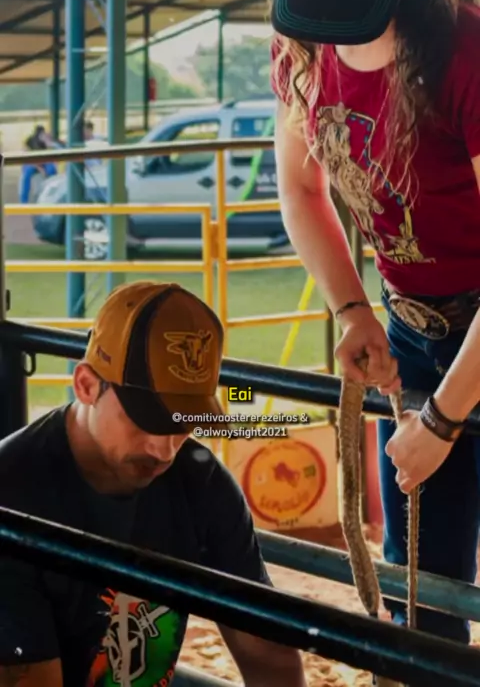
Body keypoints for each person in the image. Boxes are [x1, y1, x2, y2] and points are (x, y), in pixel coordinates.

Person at [270, 0, 480, 645]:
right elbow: (300, 189)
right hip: (411, 331)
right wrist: (353, 310)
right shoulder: (302, 39)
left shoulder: (465, 50)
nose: (336, 33)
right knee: (419, 590)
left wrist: (447, 418)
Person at [0, 281, 306, 687]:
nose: (164, 450)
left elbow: (268, 654)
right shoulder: (12, 494)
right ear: (86, 385)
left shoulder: (202, 482)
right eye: (147, 419)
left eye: (184, 423)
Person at [19, 124, 58, 203]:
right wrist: (40, 168)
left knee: (52, 170)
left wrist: (48, 142)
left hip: (44, 161)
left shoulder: (47, 141)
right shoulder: (30, 140)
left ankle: (53, 196)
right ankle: (24, 202)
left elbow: (51, 155)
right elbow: (26, 156)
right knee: (26, 175)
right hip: (32, 162)